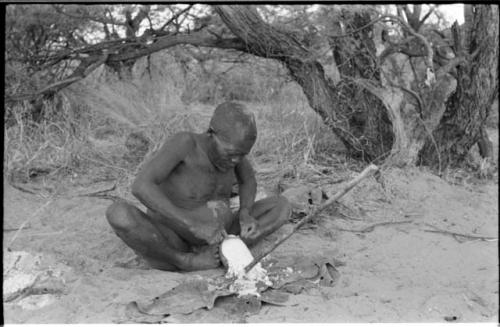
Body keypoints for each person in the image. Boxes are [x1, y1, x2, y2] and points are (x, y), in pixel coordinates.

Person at [106, 101, 292, 271]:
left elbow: (248, 180)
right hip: (175, 238)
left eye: (243, 155)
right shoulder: (185, 144)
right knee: (118, 213)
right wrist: (192, 225)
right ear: (211, 134)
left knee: (281, 206)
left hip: (223, 236)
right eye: (231, 153)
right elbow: (141, 186)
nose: (236, 160)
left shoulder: (235, 155)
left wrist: (245, 213)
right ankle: (183, 260)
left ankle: (231, 250)